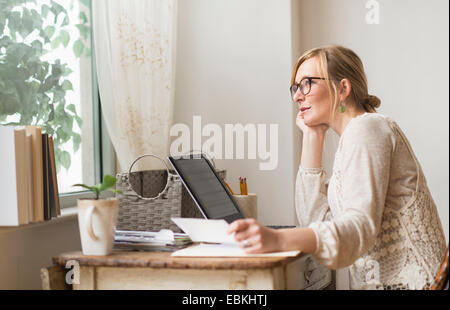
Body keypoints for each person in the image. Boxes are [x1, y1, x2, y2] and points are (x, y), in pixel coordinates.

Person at [227, 45, 447, 290]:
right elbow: (315, 221)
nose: (298, 96)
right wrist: (313, 136)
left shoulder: (368, 128)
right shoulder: (353, 138)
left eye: (307, 83)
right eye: (296, 87)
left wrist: (279, 239)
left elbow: (359, 227)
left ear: (343, 88)